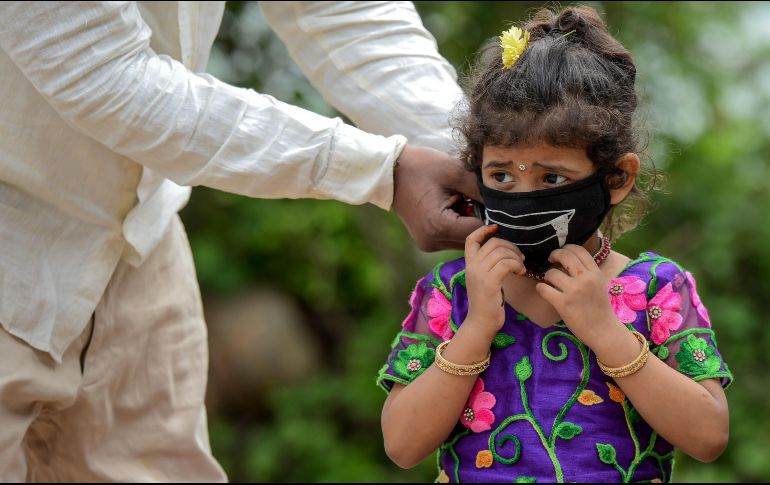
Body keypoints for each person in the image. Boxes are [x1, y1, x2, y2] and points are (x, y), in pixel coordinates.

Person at [0, 1, 484, 482]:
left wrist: (480, 158)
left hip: (141, 240)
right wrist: (384, 171)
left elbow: (336, 9)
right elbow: (102, 72)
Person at [376, 6, 732, 483]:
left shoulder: (656, 290)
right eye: (501, 174)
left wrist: (606, 331)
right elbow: (402, 446)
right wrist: (477, 327)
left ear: (617, 177)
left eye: (552, 177)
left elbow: (708, 437)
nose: (524, 196)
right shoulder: (452, 294)